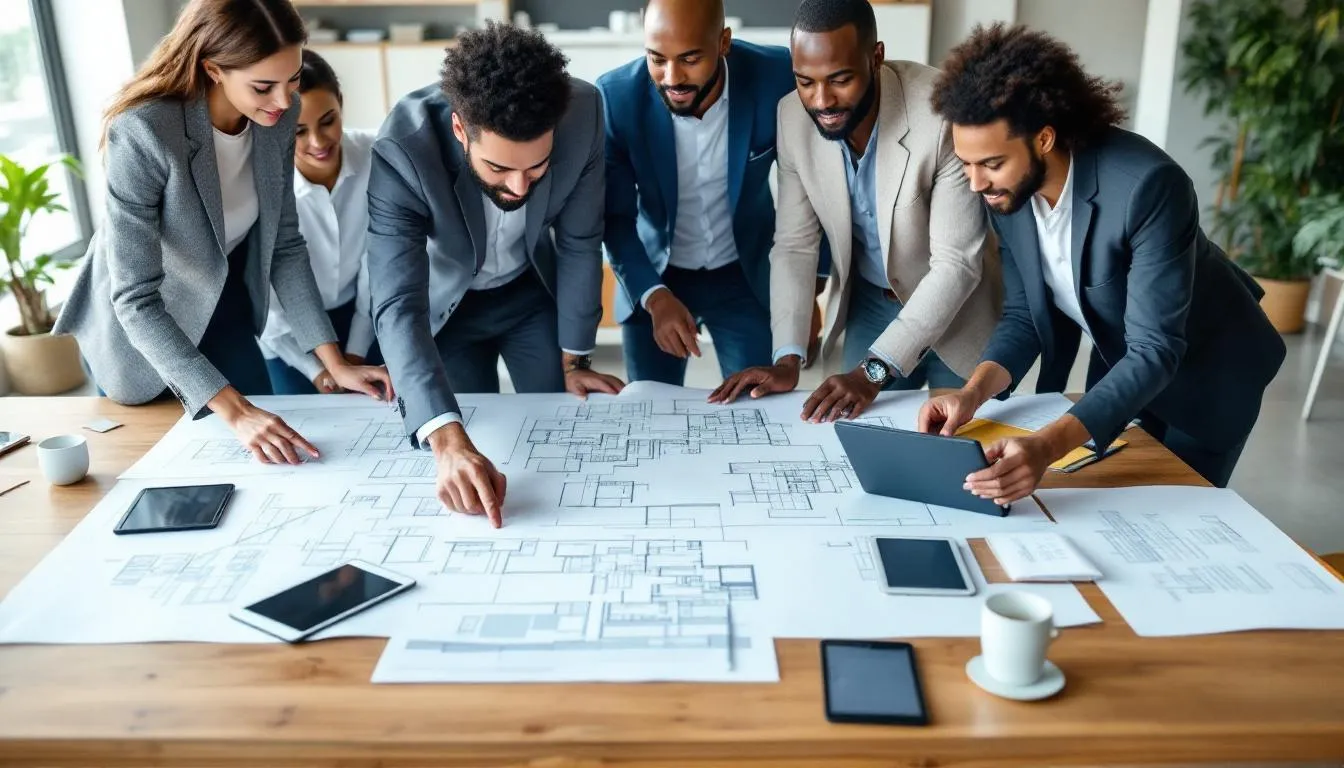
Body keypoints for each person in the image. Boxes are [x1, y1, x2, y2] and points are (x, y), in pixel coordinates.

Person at [919, 23, 1286, 500]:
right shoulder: (1010, 195)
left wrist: (1045, 445)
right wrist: (973, 393)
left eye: (990, 164)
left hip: (1210, 373)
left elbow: (1155, 350)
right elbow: (1024, 317)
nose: (975, 183)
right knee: (1112, 497)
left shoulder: (1149, 187)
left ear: (1044, 139)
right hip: (1126, 363)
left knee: (1176, 509)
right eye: (966, 164)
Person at [53, 0, 392, 466]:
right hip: (142, 324)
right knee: (157, 463)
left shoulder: (278, 115)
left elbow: (286, 247)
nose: (283, 100)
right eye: (263, 86)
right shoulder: (145, 132)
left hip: (223, 302)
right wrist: (234, 411)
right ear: (214, 69)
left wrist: (333, 361)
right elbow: (134, 298)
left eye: (291, 80)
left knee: (263, 454)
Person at [368, 23, 624, 529]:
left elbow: (578, 240)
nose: (518, 186)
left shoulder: (585, 112)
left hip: (529, 293)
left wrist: (577, 355)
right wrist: (443, 434)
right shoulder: (403, 146)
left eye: (536, 169)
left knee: (556, 426)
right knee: (471, 426)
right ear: (461, 130)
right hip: (451, 307)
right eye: (500, 168)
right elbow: (398, 301)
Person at [710, 0, 1001, 422]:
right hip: (870, 302)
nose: (821, 100)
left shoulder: (942, 112)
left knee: (960, 451)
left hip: (958, 310)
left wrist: (873, 370)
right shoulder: (792, 117)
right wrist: (787, 359)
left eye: (840, 79)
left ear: (876, 57)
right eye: (805, 81)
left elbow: (957, 265)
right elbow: (794, 244)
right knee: (850, 433)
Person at [598, 0, 826, 385]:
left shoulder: (776, 76)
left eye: (689, 59)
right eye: (657, 58)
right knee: (653, 414)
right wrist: (653, 296)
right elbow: (615, 219)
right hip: (657, 276)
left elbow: (819, 180)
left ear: (723, 43)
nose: (671, 77)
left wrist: (809, 293)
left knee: (756, 411)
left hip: (747, 275)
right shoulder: (616, 98)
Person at [258, 49, 384, 395]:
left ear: (341, 103)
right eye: (298, 132)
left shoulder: (380, 159)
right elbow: (267, 296)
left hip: (364, 315)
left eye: (328, 121)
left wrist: (355, 353)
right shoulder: (263, 185)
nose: (318, 142)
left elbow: (380, 265)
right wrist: (317, 370)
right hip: (286, 336)